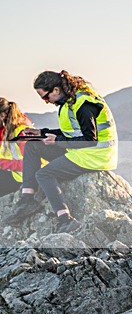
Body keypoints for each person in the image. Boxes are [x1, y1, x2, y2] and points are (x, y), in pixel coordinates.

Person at [4, 70, 118, 233]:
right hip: (81, 150)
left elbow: (89, 139)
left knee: (44, 174)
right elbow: (73, 131)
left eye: (45, 97)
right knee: (33, 145)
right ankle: (27, 200)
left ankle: (65, 219)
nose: (46, 102)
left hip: (95, 155)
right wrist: (40, 133)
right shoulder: (70, 102)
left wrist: (57, 141)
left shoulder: (84, 104)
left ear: (56, 90)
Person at [0, 98, 34, 197]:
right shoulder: (4, 130)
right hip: (13, 174)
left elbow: (31, 164)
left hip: (23, 179)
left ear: (2, 116)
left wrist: (2, 163)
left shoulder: (22, 132)